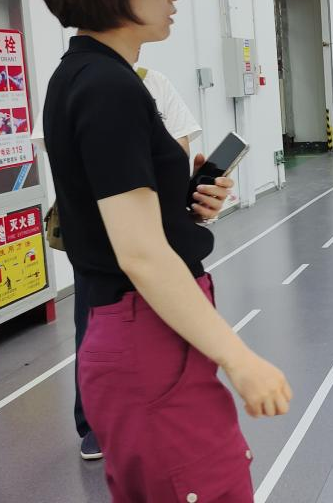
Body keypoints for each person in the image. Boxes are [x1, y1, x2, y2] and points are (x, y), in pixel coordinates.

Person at [36, 0, 292, 501]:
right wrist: (240, 360)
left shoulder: (86, 76)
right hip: (143, 331)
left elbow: (113, 212)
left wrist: (179, 200)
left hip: (143, 329)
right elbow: (141, 254)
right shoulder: (109, 88)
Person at [30, 64, 202, 461]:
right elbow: (63, 155)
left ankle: (156, 412)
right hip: (96, 233)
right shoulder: (71, 81)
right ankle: (93, 423)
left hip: (154, 225)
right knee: (94, 324)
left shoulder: (156, 81)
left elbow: (180, 147)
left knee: (157, 322)